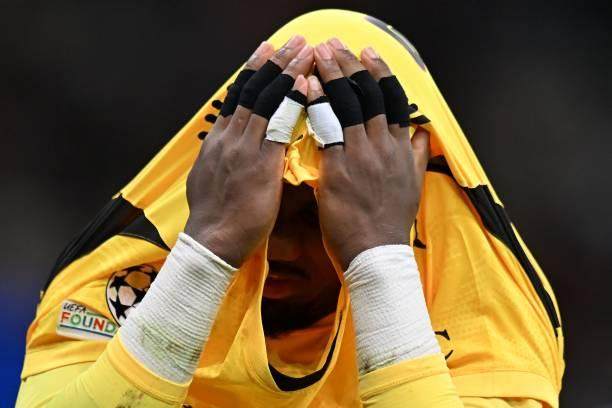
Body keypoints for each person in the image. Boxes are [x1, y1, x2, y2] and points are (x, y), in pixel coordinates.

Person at [16, 9, 564, 407]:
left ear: (407, 206)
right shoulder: (120, 271)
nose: (276, 245)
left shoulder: (494, 319)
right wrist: (209, 247)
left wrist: (377, 257)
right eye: (262, 205)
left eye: (315, 213)